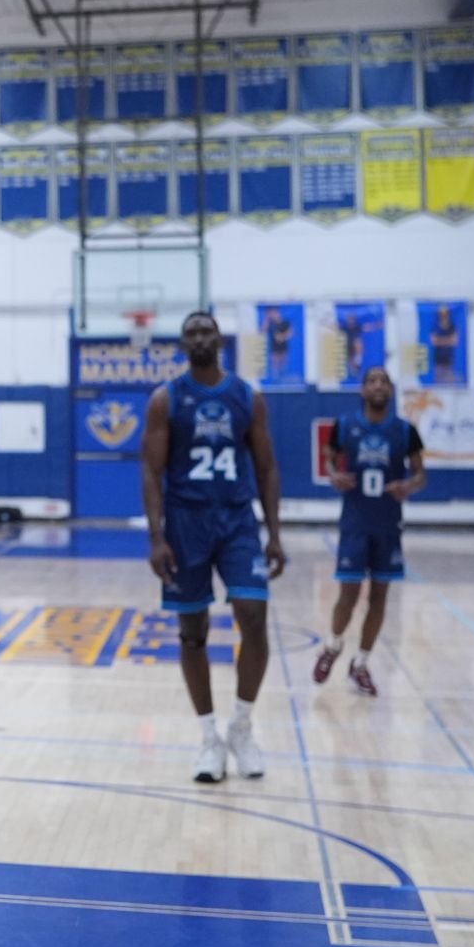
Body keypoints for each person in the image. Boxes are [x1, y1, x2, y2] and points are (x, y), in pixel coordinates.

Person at [143, 310, 286, 784]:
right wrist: (157, 536)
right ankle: (209, 738)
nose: (200, 337)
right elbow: (151, 470)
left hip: (237, 521)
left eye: (207, 330)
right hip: (186, 523)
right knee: (193, 630)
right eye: (191, 332)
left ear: (220, 339)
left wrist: (276, 532)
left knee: (254, 614)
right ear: (182, 344)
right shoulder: (167, 400)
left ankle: (241, 728)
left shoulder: (248, 397)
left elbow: (266, 467)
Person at [314, 367, 426, 696]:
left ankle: (360, 663)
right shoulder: (346, 426)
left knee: (379, 598)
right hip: (355, 524)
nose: (378, 386)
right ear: (362, 390)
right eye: (371, 381)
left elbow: (421, 475)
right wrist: (334, 474)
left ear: (391, 391)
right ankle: (332, 648)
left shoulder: (405, 431)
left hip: (388, 526)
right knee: (347, 596)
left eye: (384, 382)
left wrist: (409, 485)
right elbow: (329, 459)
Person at [427, 304, 461, 385]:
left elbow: (455, 341)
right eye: (442, 314)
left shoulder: (452, 327)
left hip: (449, 360)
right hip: (438, 360)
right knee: (439, 382)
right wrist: (448, 340)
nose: (444, 316)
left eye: (445, 314)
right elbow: (434, 341)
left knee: (449, 383)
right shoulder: (435, 327)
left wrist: (441, 340)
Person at [262, 305, 294, 379]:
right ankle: (275, 378)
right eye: (270, 314)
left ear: (277, 313)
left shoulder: (285, 322)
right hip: (274, 347)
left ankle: (284, 377)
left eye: (273, 313)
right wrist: (267, 320)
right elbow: (263, 331)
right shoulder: (270, 323)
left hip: (284, 346)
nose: (272, 315)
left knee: (283, 363)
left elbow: (291, 333)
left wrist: (282, 337)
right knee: (275, 364)